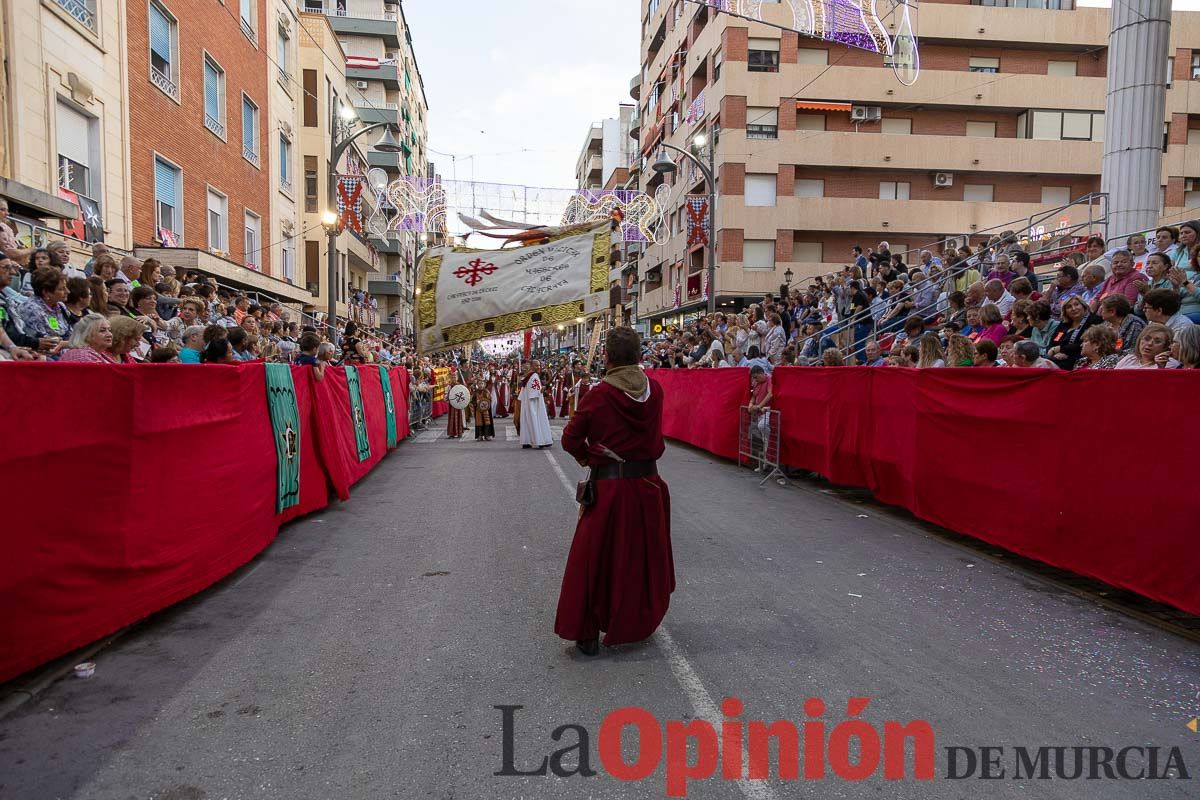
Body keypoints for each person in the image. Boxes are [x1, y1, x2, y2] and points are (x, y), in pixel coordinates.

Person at [555, 327, 673, 657]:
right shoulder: (657, 391)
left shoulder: (599, 395)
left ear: (606, 357)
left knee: (594, 560)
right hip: (648, 486)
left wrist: (591, 457)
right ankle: (636, 620)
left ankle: (588, 632)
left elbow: (569, 440)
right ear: (639, 356)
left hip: (610, 489)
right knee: (639, 560)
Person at [518, 360, 553, 449]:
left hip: (527, 402)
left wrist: (541, 388)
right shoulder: (534, 376)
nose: (539, 367)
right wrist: (542, 390)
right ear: (532, 366)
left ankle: (527, 440)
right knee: (535, 419)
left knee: (527, 420)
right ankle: (538, 440)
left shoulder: (529, 376)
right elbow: (535, 391)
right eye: (536, 365)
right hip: (534, 403)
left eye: (539, 365)